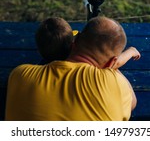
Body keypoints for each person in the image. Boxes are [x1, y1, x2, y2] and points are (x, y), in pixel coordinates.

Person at [5, 16, 140, 121]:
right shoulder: (115, 83)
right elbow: (132, 103)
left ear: (76, 39)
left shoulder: (20, 75)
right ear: (113, 61)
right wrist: (113, 68)